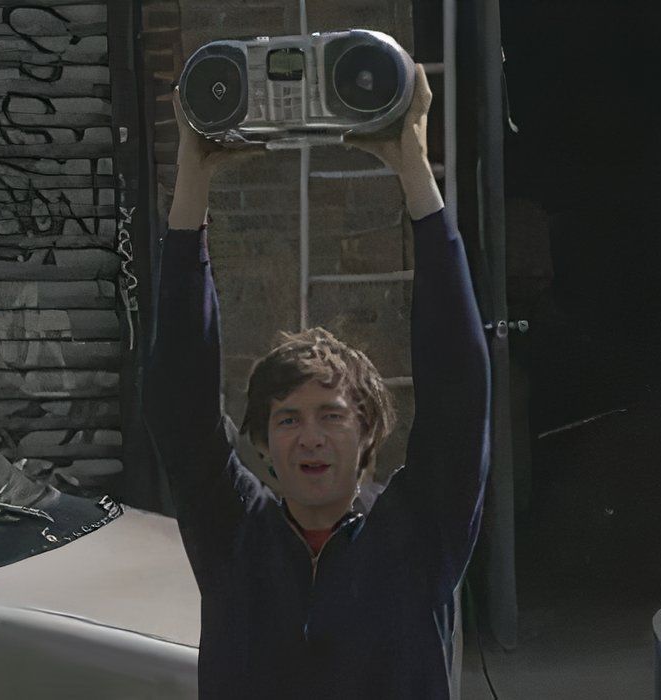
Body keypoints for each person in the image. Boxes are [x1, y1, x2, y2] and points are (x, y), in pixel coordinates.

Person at [144, 65, 491, 698]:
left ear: (368, 435)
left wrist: (414, 168)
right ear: (261, 444)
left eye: (332, 416)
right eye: (288, 419)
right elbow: (178, 399)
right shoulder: (235, 537)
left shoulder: (418, 532)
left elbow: (459, 388)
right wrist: (193, 180)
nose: (310, 438)